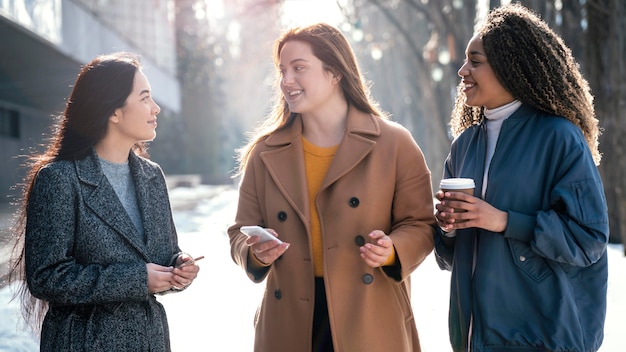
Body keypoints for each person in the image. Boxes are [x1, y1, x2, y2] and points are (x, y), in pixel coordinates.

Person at [227, 23, 436, 352]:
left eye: (299, 68)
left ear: (335, 72)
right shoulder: (265, 152)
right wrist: (253, 252)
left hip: (370, 318)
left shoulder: (394, 143)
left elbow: (422, 223)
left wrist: (393, 248)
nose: (286, 81)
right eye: (282, 70)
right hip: (290, 323)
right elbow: (239, 231)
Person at [434, 4, 609, 352]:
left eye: (475, 60)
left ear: (512, 65)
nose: (462, 70)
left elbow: (589, 239)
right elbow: (451, 257)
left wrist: (504, 221)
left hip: (541, 335)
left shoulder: (558, 137)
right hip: (473, 337)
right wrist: (448, 228)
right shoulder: (465, 145)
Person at [8, 52, 200, 352]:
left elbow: (163, 254)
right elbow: (45, 277)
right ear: (113, 111)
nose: (156, 108)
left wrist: (179, 267)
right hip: (83, 341)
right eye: (145, 97)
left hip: (149, 339)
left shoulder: (152, 176)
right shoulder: (59, 179)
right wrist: (136, 279)